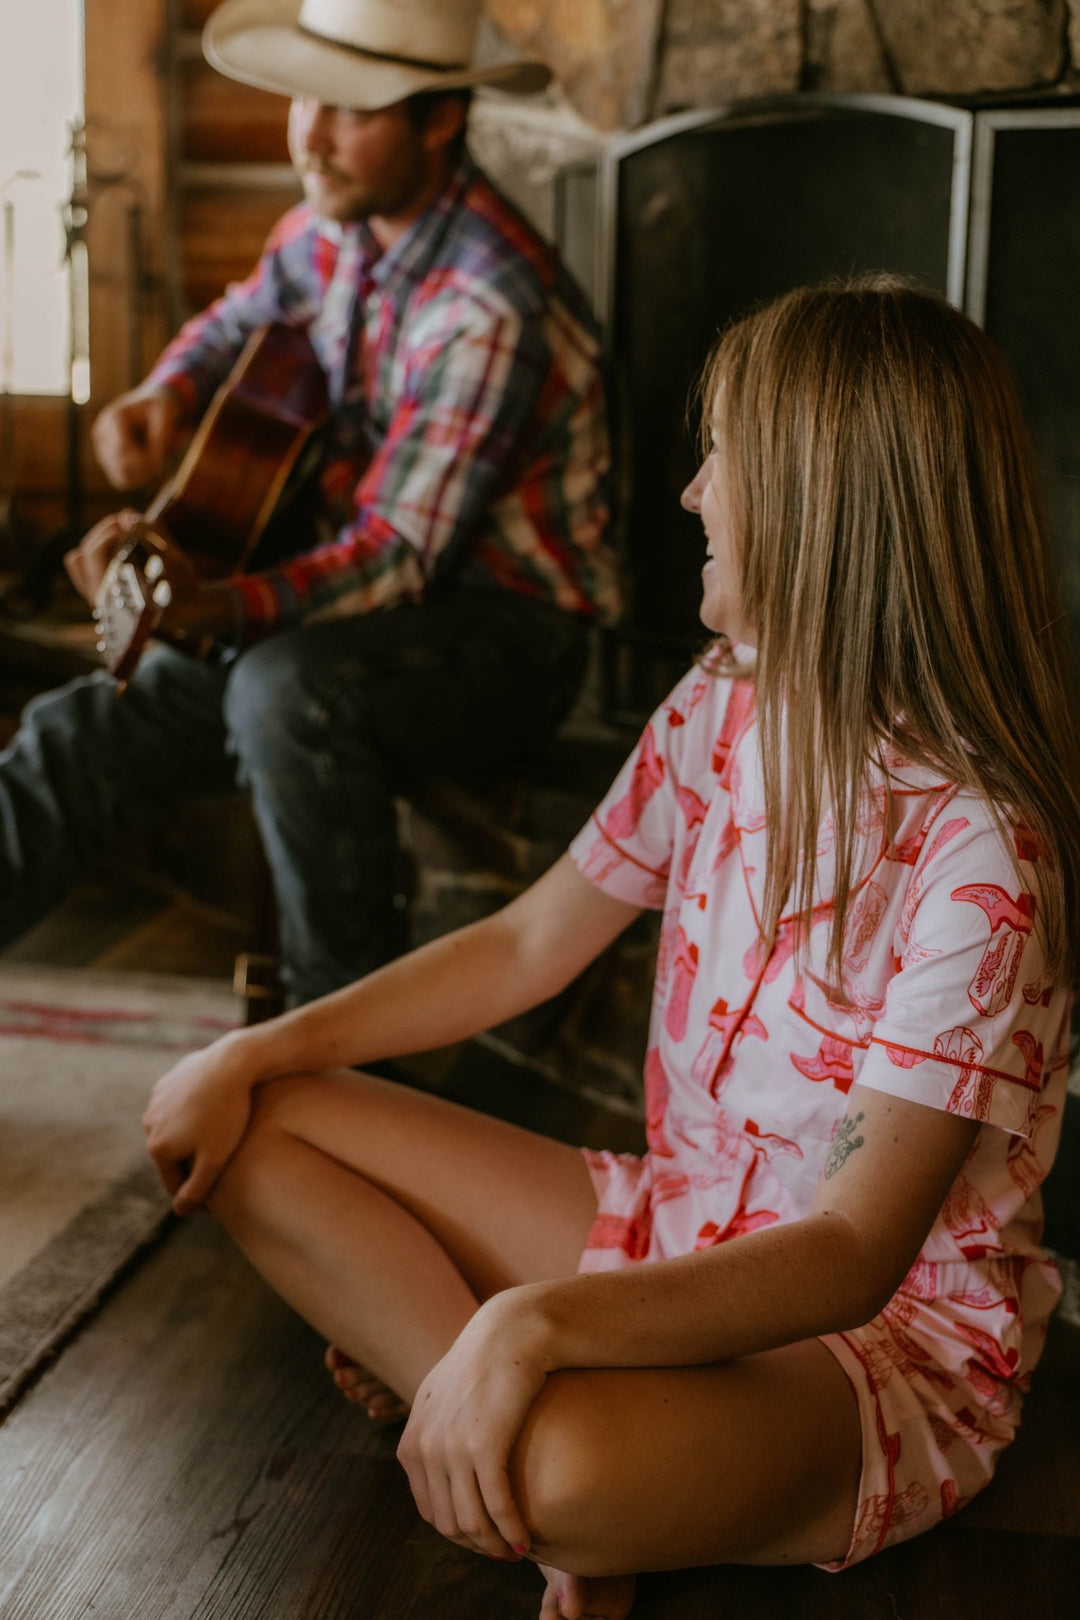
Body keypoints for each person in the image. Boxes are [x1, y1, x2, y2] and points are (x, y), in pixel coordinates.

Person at [140, 277, 1080, 1620]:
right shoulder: (718, 704)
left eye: (722, 463)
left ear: (824, 506)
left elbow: (851, 1256)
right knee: (248, 1125)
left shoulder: (984, 852)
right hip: (675, 1224)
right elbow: (528, 943)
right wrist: (259, 1044)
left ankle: (506, 1419)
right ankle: (488, 1409)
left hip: (871, 1348)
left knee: (564, 1472)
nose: (693, 497)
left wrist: (522, 1322)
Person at [0, 0, 618, 1005]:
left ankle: (334, 1049)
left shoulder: (489, 303)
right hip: (339, 617)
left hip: (511, 636)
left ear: (439, 121)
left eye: (352, 108)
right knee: (83, 730)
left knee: (280, 688)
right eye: (303, 98)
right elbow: (241, 312)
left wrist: (214, 608)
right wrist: (166, 391)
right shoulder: (334, 224)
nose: (310, 136)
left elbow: (392, 556)